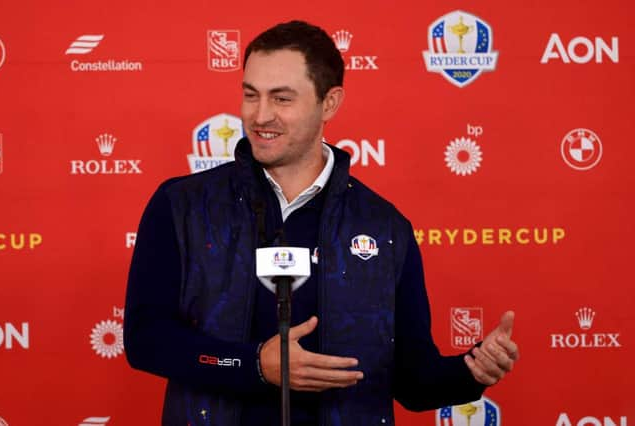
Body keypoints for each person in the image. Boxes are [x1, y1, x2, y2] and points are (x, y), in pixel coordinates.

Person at [124, 20, 519, 426]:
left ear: (329, 103)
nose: (261, 115)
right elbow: (146, 340)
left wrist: (471, 372)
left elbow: (413, 380)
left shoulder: (385, 228)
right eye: (250, 95)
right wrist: (254, 365)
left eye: (281, 99)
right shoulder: (182, 205)